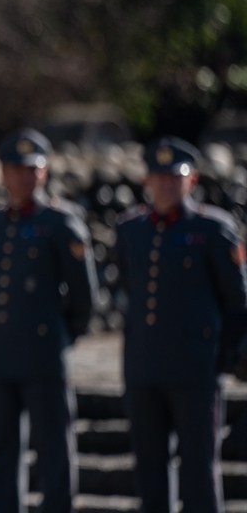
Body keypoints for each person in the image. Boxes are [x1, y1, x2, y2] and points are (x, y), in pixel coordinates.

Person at [116, 136, 247, 513]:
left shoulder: (212, 229)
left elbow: (237, 303)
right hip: (144, 369)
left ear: (192, 181)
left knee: (199, 473)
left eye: (176, 177)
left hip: (195, 370)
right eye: (159, 177)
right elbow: (131, 283)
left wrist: (220, 361)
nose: (167, 185)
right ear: (147, 181)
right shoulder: (131, 229)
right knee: (150, 475)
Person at [0, 128, 97, 513]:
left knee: (53, 450)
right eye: (16, 168)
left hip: (44, 353)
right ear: (3, 172)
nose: (24, 177)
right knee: (4, 450)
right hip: (1, 353)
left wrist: (63, 336)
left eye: (32, 169)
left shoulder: (61, 221)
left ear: (44, 172)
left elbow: (84, 296)